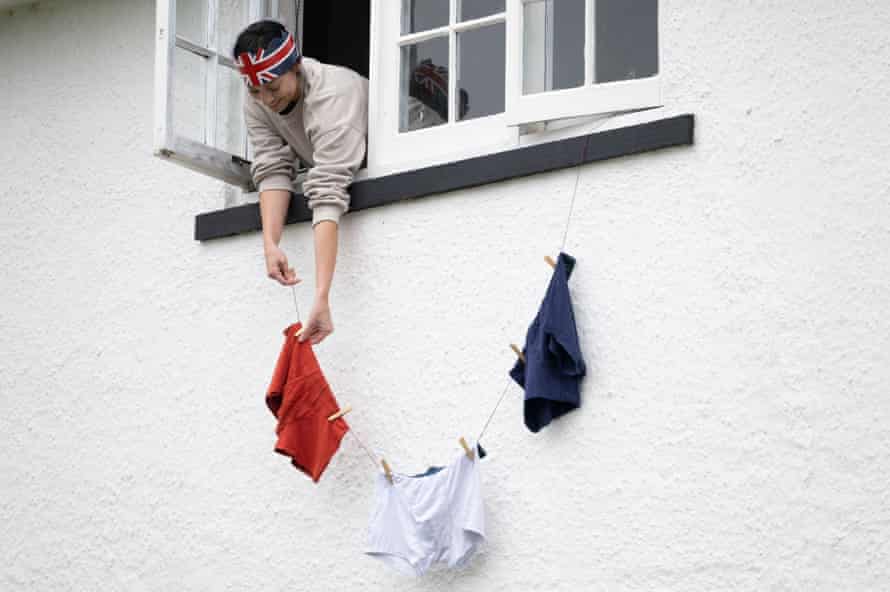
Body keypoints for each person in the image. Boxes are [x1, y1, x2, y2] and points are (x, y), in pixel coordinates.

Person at [233, 20, 368, 345]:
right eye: (255, 90)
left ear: (296, 66)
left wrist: (321, 296)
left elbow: (328, 192)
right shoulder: (258, 99)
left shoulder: (334, 94)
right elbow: (272, 165)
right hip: (337, 165)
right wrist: (271, 243)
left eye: (273, 88)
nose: (265, 99)